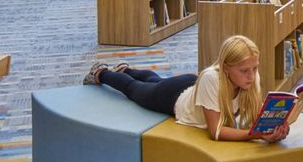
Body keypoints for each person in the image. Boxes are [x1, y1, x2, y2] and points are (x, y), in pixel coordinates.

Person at [83, 35, 288, 142]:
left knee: (154, 79)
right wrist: (255, 135)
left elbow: (257, 114)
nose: (251, 76)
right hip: (173, 98)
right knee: (136, 90)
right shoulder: (212, 79)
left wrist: (275, 126)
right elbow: (215, 132)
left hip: (192, 87)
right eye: (244, 70)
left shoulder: (251, 76)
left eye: (255, 68)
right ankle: (101, 72)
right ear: (226, 68)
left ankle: (126, 68)